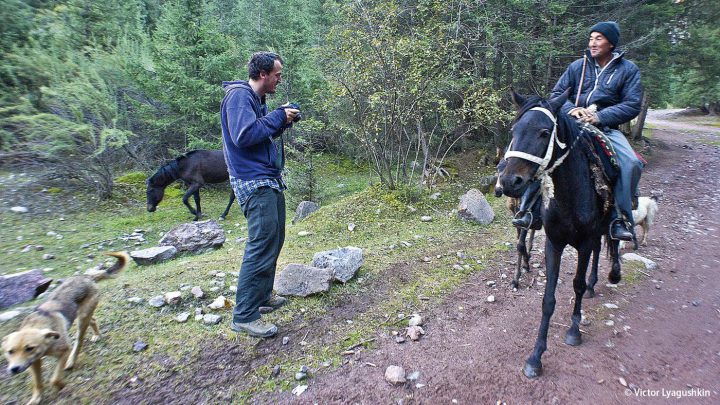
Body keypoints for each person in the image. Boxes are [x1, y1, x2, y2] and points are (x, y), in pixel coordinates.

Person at [512, 21, 643, 242]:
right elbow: (557, 95)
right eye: (591, 38)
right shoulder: (577, 67)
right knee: (539, 152)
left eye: (598, 38)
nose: (592, 43)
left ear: (611, 43)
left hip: (605, 128)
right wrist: (573, 109)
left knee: (631, 163)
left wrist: (600, 116)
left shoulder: (628, 70)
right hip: (571, 126)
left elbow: (632, 104)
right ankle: (528, 210)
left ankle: (618, 217)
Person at [220, 51, 300, 338]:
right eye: (277, 75)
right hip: (253, 181)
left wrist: (282, 122)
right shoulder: (239, 97)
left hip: (267, 178)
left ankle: (262, 295)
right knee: (261, 242)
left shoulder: (256, 100)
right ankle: (244, 315)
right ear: (263, 74)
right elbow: (242, 136)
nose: (280, 79)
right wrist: (278, 115)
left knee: (275, 236)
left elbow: (258, 136)